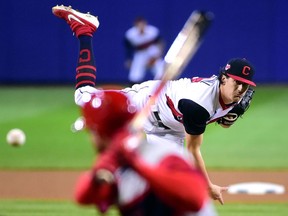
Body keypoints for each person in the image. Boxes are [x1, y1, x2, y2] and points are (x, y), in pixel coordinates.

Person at [52, 4, 256, 206]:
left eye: (245, 85)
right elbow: (193, 150)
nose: (240, 89)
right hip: (148, 101)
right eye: (237, 82)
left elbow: (223, 120)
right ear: (223, 79)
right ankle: (85, 30)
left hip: (169, 132)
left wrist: (227, 117)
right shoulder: (197, 105)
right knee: (83, 98)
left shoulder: (236, 101)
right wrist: (208, 185)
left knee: (168, 190)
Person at [124, 16, 165, 84]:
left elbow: (160, 43)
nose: (141, 26)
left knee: (161, 72)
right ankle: (134, 91)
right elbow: (128, 47)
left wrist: (158, 54)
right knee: (134, 76)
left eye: (142, 24)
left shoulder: (152, 31)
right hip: (140, 54)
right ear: (135, 25)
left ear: (145, 24)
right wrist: (128, 59)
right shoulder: (130, 34)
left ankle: (163, 90)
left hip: (152, 52)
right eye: (139, 25)